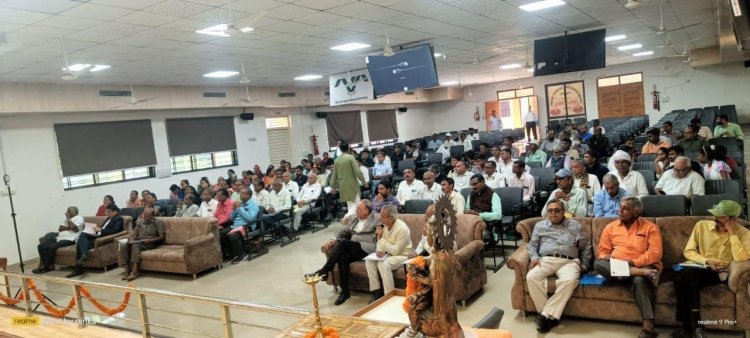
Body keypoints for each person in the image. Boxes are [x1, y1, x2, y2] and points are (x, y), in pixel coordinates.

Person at [671, 200, 750, 338]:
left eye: (720, 216)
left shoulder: (744, 234)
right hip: (701, 266)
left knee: (683, 276)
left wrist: (732, 233)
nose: (715, 218)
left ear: (733, 219)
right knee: (683, 274)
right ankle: (695, 325)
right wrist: (707, 261)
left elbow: (741, 258)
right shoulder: (701, 225)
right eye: (714, 215)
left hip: (720, 273)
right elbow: (688, 252)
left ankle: (688, 326)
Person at [595, 197, 663, 338]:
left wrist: (631, 263)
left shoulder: (650, 227)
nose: (620, 210)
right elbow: (602, 252)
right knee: (598, 264)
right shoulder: (611, 227)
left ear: (636, 211)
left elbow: (655, 253)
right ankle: (640, 273)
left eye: (625, 208)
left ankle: (648, 326)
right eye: (620, 207)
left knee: (639, 280)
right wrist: (606, 257)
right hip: (630, 268)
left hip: (643, 265)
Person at [526, 199, 591, 333]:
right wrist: (534, 257)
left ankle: (543, 316)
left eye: (557, 210)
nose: (553, 213)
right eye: (550, 210)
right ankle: (549, 317)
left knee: (570, 280)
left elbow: (586, 246)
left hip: (569, 261)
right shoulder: (540, 225)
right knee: (531, 277)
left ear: (564, 212)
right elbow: (532, 245)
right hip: (545, 260)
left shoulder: (575, 226)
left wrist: (584, 264)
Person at [305, 200, 379, 305]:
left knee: (344, 243)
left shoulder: (376, 219)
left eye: (359, 208)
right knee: (342, 257)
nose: (356, 210)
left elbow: (380, 234)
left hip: (367, 248)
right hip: (353, 247)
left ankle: (324, 271)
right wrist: (334, 238)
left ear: (367, 210)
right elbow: (343, 231)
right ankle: (345, 292)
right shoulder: (354, 218)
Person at [366, 205, 412, 304]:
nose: (380, 218)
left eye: (383, 216)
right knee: (369, 261)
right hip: (389, 254)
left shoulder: (402, 229)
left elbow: (395, 251)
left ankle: (389, 295)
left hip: (403, 255)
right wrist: (379, 250)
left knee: (383, 264)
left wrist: (380, 238)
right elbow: (380, 244)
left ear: (391, 218)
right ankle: (377, 292)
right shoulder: (385, 226)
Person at [66, 204, 125, 278]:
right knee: (83, 236)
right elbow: (103, 228)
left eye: (109, 212)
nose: (107, 214)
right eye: (106, 212)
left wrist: (101, 230)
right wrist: (95, 229)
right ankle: (83, 256)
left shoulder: (118, 218)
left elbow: (115, 231)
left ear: (115, 211)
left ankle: (78, 268)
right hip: (97, 235)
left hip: (103, 238)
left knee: (80, 243)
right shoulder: (108, 218)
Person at [33, 207, 84, 274]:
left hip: (71, 239)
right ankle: (49, 266)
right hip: (59, 238)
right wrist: (68, 227)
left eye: (69, 211)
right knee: (41, 246)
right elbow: (60, 228)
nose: (67, 213)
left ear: (75, 212)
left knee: (52, 247)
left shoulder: (79, 218)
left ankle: (45, 266)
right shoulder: (66, 220)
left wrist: (68, 220)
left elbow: (74, 228)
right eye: (67, 211)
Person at [119, 207, 165, 281]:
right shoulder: (139, 222)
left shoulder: (158, 222)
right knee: (124, 245)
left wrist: (150, 240)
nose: (146, 218)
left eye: (148, 216)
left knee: (135, 245)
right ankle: (127, 270)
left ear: (153, 216)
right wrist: (131, 238)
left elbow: (161, 237)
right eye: (145, 215)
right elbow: (134, 234)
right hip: (139, 242)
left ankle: (135, 272)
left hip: (151, 243)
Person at [220, 189, 259, 264]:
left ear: (248, 195)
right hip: (235, 225)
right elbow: (231, 219)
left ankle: (242, 254)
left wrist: (240, 208)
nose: (240, 195)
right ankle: (233, 252)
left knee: (233, 236)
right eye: (240, 193)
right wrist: (234, 210)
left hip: (247, 225)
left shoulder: (253, 205)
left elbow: (250, 219)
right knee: (221, 234)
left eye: (242, 193)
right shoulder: (240, 204)